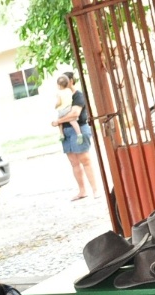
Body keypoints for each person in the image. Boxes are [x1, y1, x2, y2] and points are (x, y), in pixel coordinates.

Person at [51, 71, 99, 201]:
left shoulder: (78, 96)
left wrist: (58, 121)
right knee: (74, 162)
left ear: (71, 81)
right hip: (66, 131)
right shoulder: (62, 95)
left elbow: (75, 114)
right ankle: (82, 191)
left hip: (79, 128)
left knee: (85, 160)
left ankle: (95, 189)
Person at [53, 75, 83, 143]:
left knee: (59, 121)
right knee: (73, 121)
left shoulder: (59, 93)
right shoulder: (69, 91)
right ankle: (79, 134)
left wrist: (56, 106)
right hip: (69, 108)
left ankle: (61, 134)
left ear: (58, 85)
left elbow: (59, 102)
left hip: (62, 109)